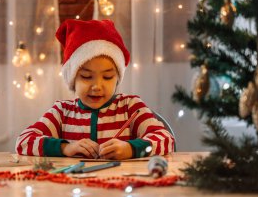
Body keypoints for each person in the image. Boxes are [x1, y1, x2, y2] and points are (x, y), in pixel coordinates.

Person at [16, 19, 175, 160]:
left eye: (107, 77)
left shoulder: (131, 106)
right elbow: (23, 141)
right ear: (72, 78)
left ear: (117, 77)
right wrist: (66, 148)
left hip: (121, 187)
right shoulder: (61, 112)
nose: (97, 86)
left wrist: (131, 149)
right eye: (86, 77)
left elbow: (166, 139)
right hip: (72, 188)